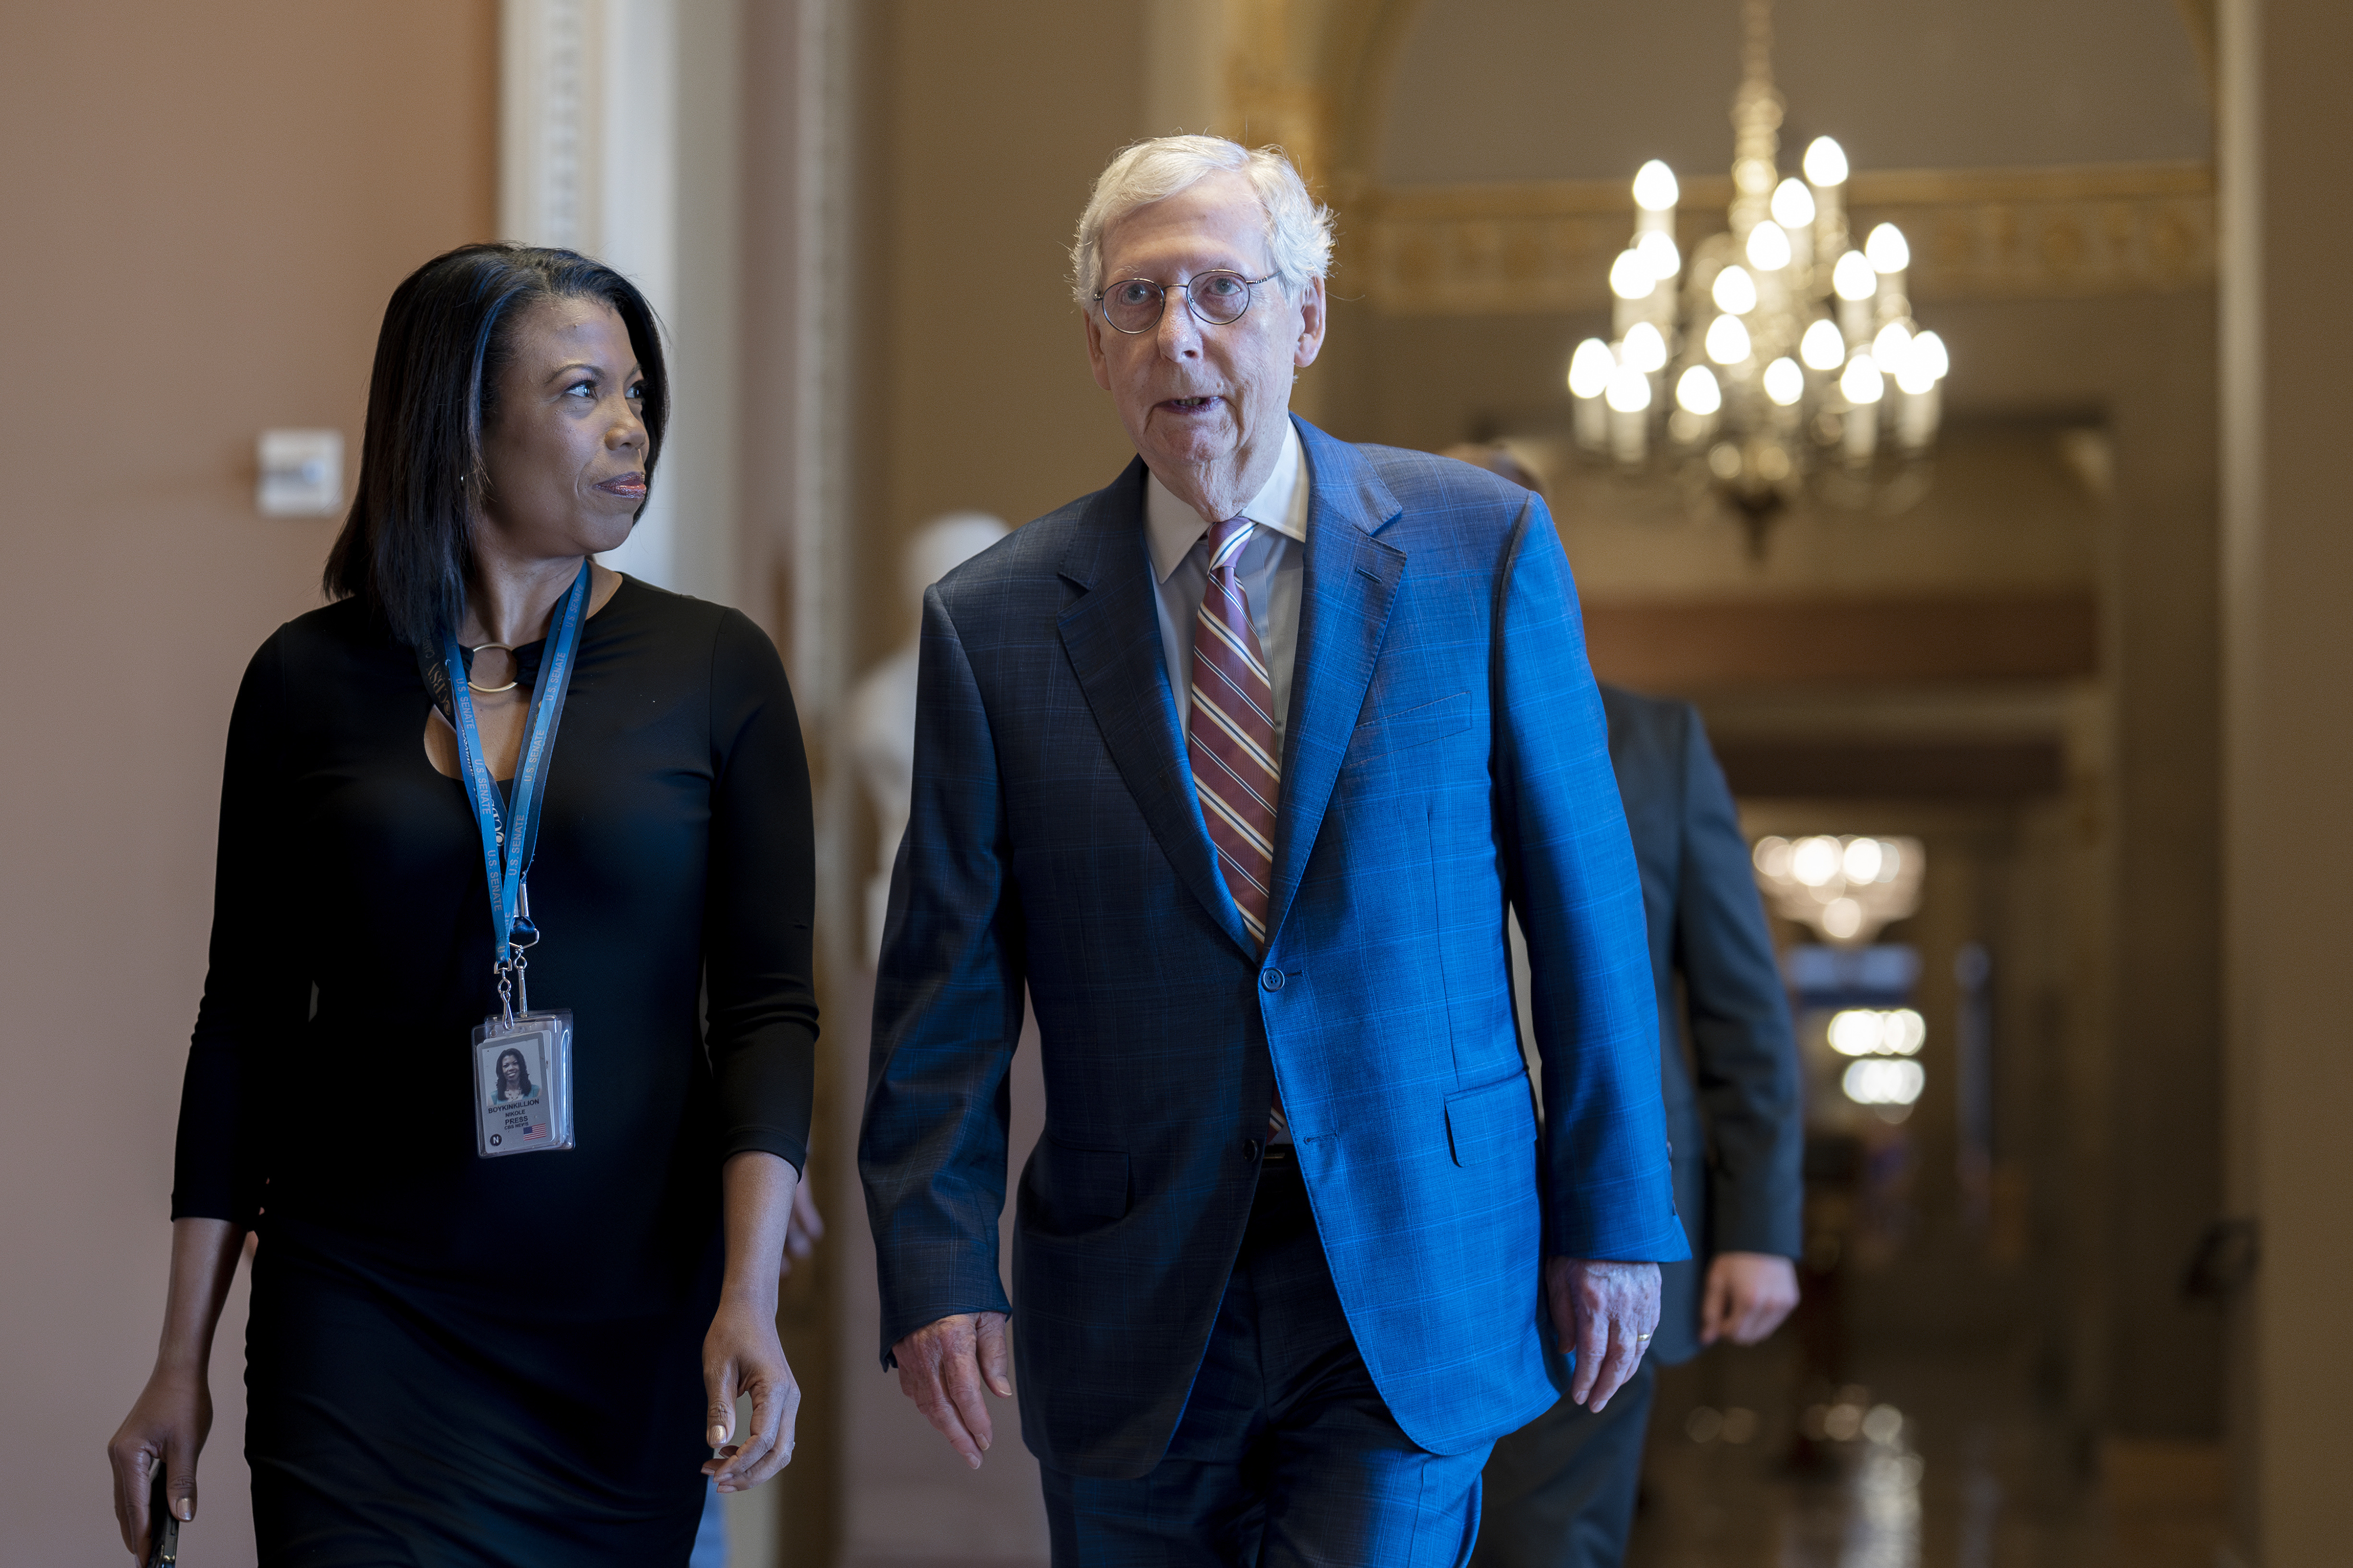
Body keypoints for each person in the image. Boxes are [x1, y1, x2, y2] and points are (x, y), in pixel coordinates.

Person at [859, 135, 1686, 1566]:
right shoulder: (990, 622)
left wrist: (1613, 1210)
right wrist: (935, 1265)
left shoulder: (1474, 546)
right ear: (1094, 343)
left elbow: (1586, 906)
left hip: (1415, 1256)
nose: (1176, 335)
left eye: (1219, 294)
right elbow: (946, 985)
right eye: (1135, 300)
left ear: (1303, 320)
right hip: (1130, 1280)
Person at [105, 244, 819, 1566]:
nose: (630, 427)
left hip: (624, 1323)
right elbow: (247, 1021)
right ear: (458, 425)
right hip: (364, 1312)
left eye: (637, 391)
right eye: (581, 391)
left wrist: (747, 1291)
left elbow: (769, 1010)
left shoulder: (717, 669)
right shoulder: (304, 680)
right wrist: (177, 1360)